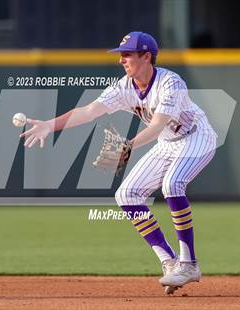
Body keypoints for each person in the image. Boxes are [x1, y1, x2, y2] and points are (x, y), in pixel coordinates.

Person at [20, 31, 217, 294]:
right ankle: (169, 262)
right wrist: (49, 125)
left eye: (127, 55)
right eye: (121, 55)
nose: (121, 60)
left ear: (146, 56)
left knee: (173, 184)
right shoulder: (124, 87)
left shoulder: (171, 83)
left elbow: (158, 125)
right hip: (169, 144)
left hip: (197, 137)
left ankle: (189, 263)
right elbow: (89, 112)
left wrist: (129, 145)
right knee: (127, 194)